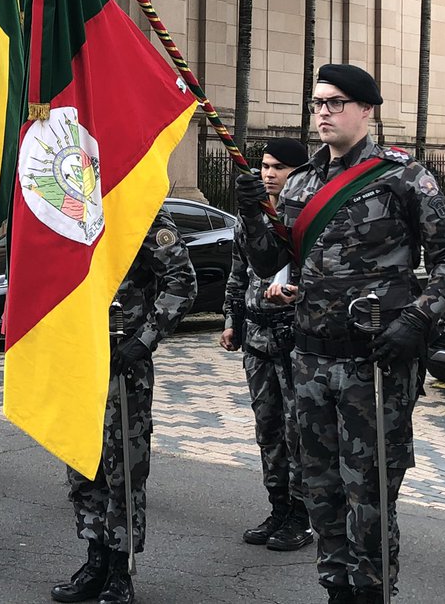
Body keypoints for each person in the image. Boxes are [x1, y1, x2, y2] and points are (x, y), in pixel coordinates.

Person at [235, 63, 445, 604]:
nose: (323, 112)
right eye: (317, 103)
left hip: (374, 364)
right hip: (310, 362)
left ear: (366, 109)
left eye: (335, 102)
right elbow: (271, 262)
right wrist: (251, 215)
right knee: (320, 490)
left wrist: (419, 318)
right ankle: (336, 589)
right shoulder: (300, 183)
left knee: (370, 492)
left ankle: (372, 592)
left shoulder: (404, 178)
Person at [51, 210, 197, 604]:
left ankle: (119, 568)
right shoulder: (70, 207)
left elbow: (182, 282)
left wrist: (143, 339)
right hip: (77, 355)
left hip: (122, 363)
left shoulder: (139, 206)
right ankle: (94, 559)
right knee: (83, 463)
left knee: (122, 469)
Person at [220, 138, 313, 551]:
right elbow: (238, 274)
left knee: (299, 433)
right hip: (257, 339)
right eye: (264, 166)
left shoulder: (308, 219)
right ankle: (278, 507)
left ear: (298, 173)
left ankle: (301, 515)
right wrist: (231, 321)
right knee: (268, 430)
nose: (269, 174)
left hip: (294, 340)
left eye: (279, 168)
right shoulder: (251, 218)